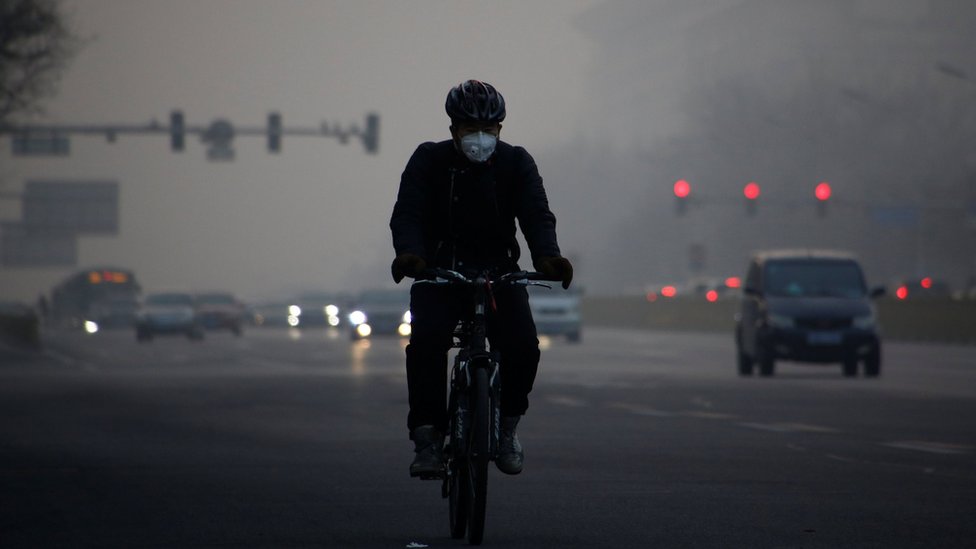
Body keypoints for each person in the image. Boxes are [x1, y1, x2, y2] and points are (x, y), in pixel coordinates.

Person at [389, 79, 573, 478]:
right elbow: (408, 213)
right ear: (453, 129)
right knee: (426, 345)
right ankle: (428, 438)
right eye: (470, 129)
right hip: (439, 273)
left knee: (523, 346)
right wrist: (411, 255)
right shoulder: (428, 160)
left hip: (498, 276)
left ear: (500, 131)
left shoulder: (516, 163)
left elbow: (536, 215)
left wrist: (548, 256)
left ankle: (506, 429)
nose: (480, 138)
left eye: (488, 130)